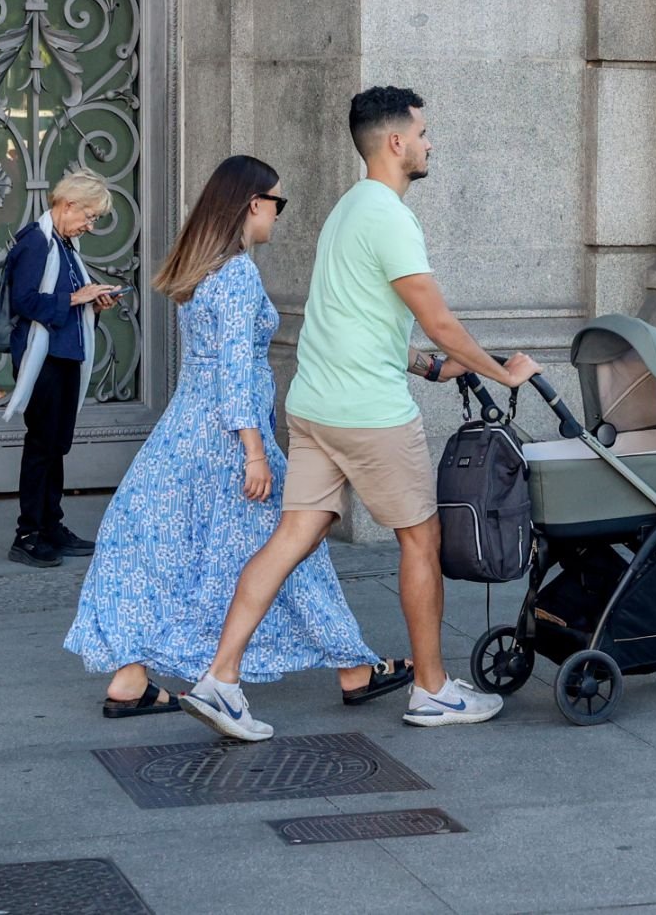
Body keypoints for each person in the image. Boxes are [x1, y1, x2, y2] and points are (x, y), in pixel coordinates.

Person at [181, 86, 541, 741]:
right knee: (420, 540)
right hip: (369, 413)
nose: (431, 143)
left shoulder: (349, 210)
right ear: (396, 142)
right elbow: (438, 316)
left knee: (292, 536)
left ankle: (220, 677)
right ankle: (432, 689)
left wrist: (427, 366)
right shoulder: (391, 218)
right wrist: (500, 368)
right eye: (424, 132)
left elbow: (353, 318)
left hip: (316, 406)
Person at [63, 155, 414, 717]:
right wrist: (253, 450)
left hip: (185, 431)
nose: (280, 214)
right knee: (293, 551)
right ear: (253, 203)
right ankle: (353, 669)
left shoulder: (205, 269)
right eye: (279, 202)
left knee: (148, 546)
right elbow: (231, 366)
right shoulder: (237, 273)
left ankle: (130, 678)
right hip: (227, 438)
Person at [2, 168, 122, 569]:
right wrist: (77, 298)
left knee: (56, 445)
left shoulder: (63, 244)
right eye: (89, 216)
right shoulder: (36, 243)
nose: (90, 225)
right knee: (42, 446)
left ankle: (51, 525)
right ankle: (28, 534)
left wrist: (93, 302)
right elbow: (25, 302)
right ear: (67, 204)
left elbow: (65, 300)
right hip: (44, 360)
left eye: (94, 219)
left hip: (65, 354)